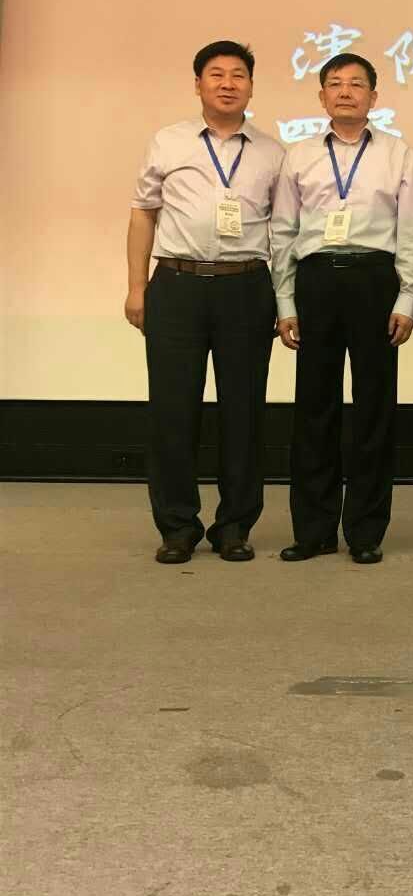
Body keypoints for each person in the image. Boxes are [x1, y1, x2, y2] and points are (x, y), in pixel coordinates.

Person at [125, 40, 284, 565]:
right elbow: (143, 214)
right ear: (198, 84)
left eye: (238, 74)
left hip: (246, 286)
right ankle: (177, 526)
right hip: (177, 284)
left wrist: (285, 300)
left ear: (251, 87)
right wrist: (136, 286)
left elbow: (284, 231)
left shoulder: (272, 152)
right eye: (216, 74)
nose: (227, 83)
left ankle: (234, 525)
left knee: (244, 411)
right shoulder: (168, 142)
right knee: (173, 410)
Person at [271, 53, 413, 565]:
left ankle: (365, 531)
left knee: (374, 408)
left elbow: (410, 230)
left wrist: (407, 296)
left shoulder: (398, 154)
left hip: (374, 280)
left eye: (357, 84)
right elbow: (283, 232)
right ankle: (313, 529)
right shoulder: (299, 156)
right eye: (335, 84)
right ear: (321, 97)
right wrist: (285, 301)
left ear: (373, 97)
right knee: (314, 408)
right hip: (315, 280)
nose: (345, 92)